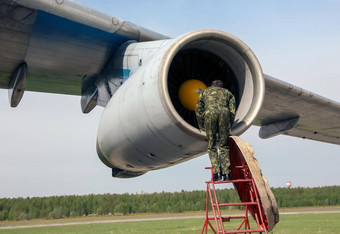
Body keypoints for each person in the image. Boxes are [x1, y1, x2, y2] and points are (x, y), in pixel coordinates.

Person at [195, 80, 236, 181]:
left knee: (212, 146)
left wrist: (201, 125)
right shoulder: (227, 93)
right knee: (224, 145)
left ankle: (216, 173)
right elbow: (232, 110)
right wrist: (229, 124)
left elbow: (198, 109)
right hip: (224, 114)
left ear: (212, 86)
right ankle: (226, 173)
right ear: (222, 86)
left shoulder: (205, 92)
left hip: (209, 115)